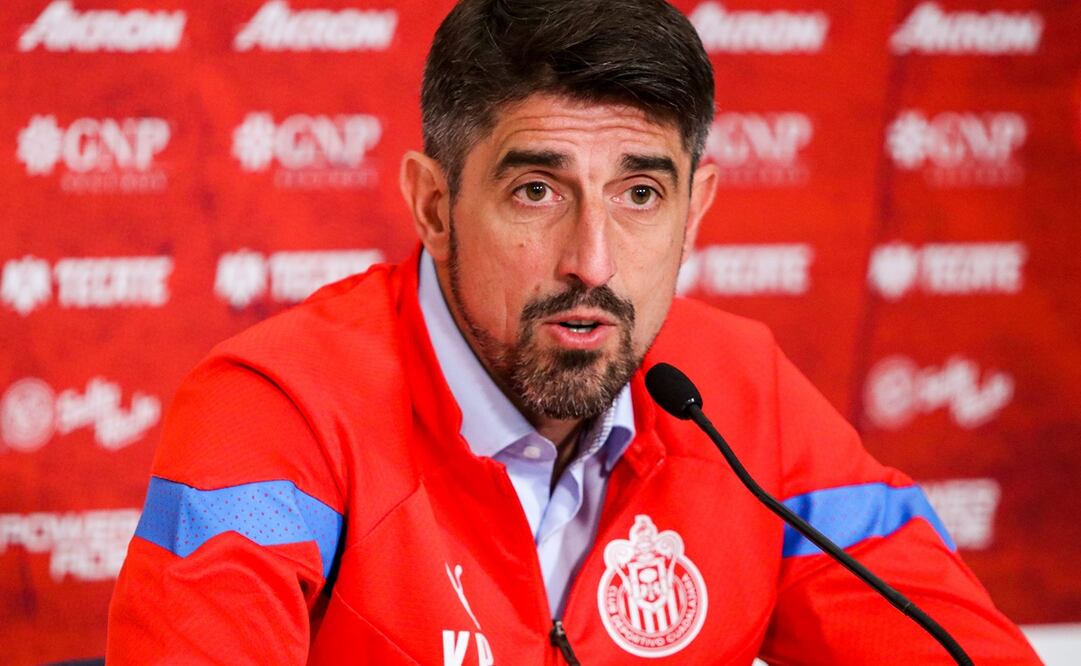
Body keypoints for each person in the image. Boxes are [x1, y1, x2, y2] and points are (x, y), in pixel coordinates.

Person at [107, 0, 1040, 663]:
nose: (591, 261)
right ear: (434, 206)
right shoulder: (277, 411)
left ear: (695, 208)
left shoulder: (736, 393)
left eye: (640, 194)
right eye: (536, 191)